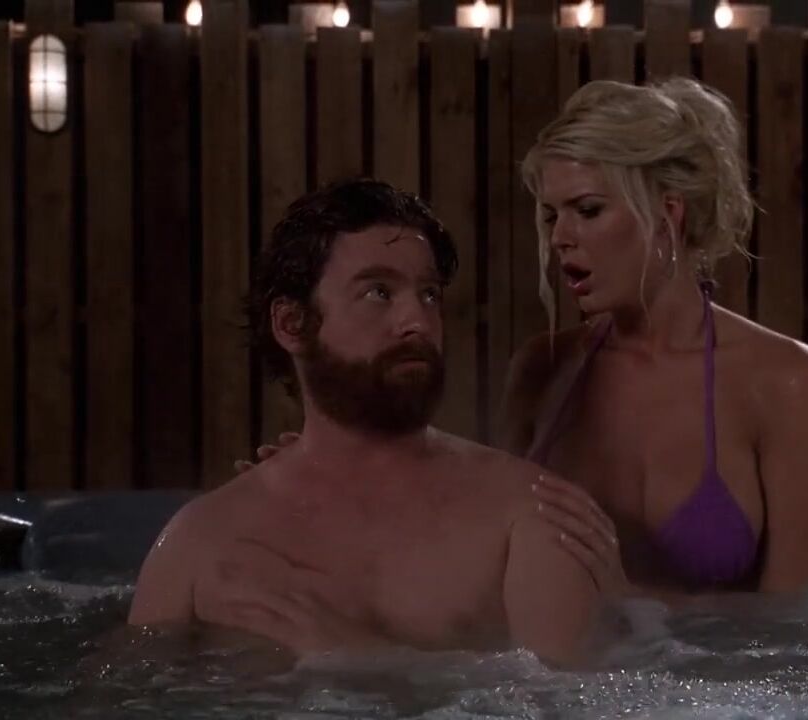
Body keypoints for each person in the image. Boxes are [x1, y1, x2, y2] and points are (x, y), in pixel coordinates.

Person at [244, 78, 808, 605]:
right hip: (557, 683)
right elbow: (476, 552)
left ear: (669, 214)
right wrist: (338, 481)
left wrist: (628, 603)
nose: (560, 238)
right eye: (553, 215)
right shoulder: (545, 370)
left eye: (587, 210)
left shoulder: (785, 383)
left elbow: (798, 631)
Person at [128, 179, 600, 668]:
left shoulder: (528, 513)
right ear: (291, 324)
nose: (418, 321)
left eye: (429, 294)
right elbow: (125, 692)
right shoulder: (201, 542)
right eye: (379, 292)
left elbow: (569, 698)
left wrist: (356, 656)